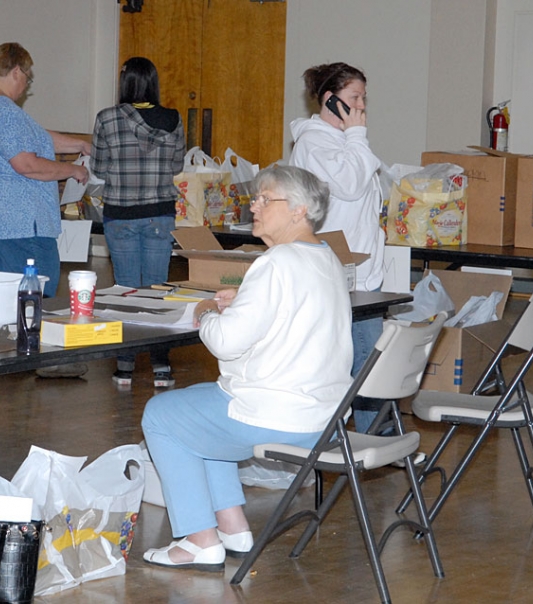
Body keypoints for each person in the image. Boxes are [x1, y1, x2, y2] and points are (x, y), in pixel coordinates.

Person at [141, 165, 353, 572]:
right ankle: (232, 528)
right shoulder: (327, 259)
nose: (253, 205)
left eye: (264, 199)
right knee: (202, 414)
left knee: (162, 416)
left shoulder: (275, 263)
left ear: (298, 210)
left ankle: (199, 540)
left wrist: (205, 312)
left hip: (276, 414)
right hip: (322, 417)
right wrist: (245, 300)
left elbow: (224, 341)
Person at [0, 42, 91, 379]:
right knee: (36, 288)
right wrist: (72, 171)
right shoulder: (2, 111)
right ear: (17, 71)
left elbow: (35, 137)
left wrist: (78, 144)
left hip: (3, 216)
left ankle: (23, 353)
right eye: (28, 78)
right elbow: (27, 164)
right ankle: (38, 358)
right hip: (20, 217)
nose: (27, 86)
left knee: (18, 289)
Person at [288, 62, 386, 434]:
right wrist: (358, 136)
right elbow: (349, 184)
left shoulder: (347, 141)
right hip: (336, 270)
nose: (361, 107)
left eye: (363, 98)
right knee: (360, 357)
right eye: (353, 98)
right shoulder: (315, 142)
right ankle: (368, 435)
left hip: (361, 271)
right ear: (330, 101)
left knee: (366, 356)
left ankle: (370, 434)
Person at [91, 57, 184, 389]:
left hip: (121, 215)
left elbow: (99, 168)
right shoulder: (173, 119)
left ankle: (125, 366)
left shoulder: (107, 118)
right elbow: (176, 166)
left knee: (126, 290)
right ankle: (161, 366)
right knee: (158, 290)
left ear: (124, 82)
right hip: (160, 212)